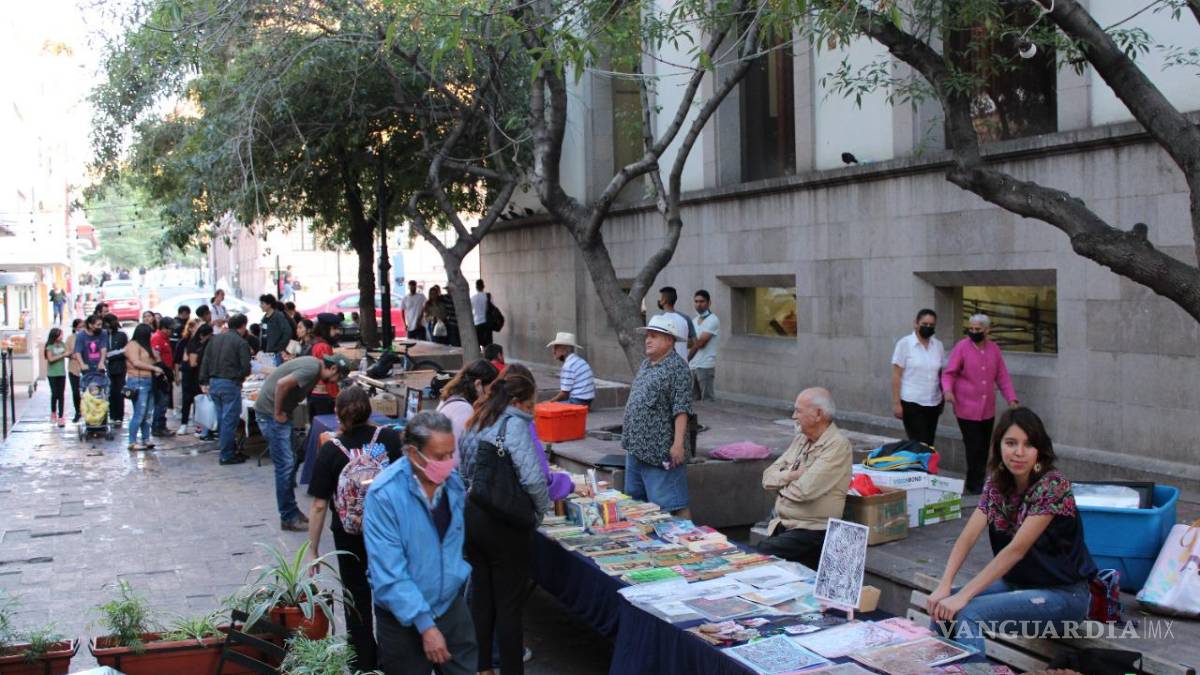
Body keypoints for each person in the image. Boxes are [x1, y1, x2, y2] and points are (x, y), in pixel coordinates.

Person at [927, 407, 1096, 658]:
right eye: (1011, 443)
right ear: (999, 446)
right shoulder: (997, 483)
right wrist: (945, 585)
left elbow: (1016, 550)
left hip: (1064, 595)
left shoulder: (1052, 485)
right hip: (1016, 585)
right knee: (942, 609)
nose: (1019, 452)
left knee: (969, 614)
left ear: (1040, 450)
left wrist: (963, 596)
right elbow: (968, 536)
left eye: (1028, 445)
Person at [364, 411, 478, 675]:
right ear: (414, 454)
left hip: (450, 606)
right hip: (402, 618)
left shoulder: (453, 485)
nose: (449, 463)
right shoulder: (385, 495)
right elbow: (389, 573)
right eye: (440, 457)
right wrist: (425, 625)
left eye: (452, 454)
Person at [458, 365, 552, 675]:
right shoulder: (512, 425)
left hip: (474, 517)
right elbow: (533, 479)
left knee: (482, 600)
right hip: (504, 525)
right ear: (523, 399)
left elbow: (467, 471)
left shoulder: (477, 419)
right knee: (508, 606)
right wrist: (539, 512)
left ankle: (482, 668)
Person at [306, 386, 404, 671]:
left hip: (349, 535)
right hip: (387, 532)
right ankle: (395, 658)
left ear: (338, 414)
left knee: (356, 598)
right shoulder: (388, 439)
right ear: (369, 409)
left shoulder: (331, 450)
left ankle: (362, 663)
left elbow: (319, 505)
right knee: (390, 593)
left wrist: (313, 550)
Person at [758, 388, 853, 570]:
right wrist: (791, 476)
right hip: (784, 524)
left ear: (818, 414)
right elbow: (767, 477)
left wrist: (779, 487)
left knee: (760, 556)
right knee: (751, 557)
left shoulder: (837, 446)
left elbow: (804, 491)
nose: (794, 416)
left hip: (813, 531)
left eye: (798, 411)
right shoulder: (802, 439)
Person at [253, 354, 351, 530]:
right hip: (271, 415)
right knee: (285, 465)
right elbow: (282, 384)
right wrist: (277, 413)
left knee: (289, 462)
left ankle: (291, 511)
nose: (336, 382)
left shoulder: (313, 369)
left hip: (277, 414)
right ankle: (288, 516)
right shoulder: (312, 368)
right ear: (334, 369)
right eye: (339, 377)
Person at [622, 315, 694, 517]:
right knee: (636, 506)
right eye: (647, 336)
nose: (647, 340)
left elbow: (682, 409)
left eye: (653, 336)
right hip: (636, 448)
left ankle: (687, 542)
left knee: (672, 505)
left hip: (660, 452)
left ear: (669, 340)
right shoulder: (647, 364)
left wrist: (678, 444)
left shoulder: (678, 368)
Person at [942, 314, 1020, 494]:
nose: (974, 332)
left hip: (987, 409)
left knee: (985, 447)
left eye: (978, 329)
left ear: (987, 330)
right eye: (971, 329)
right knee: (973, 446)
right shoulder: (962, 347)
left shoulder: (994, 349)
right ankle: (975, 484)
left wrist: (1012, 398)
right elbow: (949, 373)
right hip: (966, 408)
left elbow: (1002, 376)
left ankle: (976, 480)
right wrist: (948, 391)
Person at [199, 313, 253, 464]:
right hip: (229, 383)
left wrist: (204, 381)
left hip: (214, 383)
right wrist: (240, 377)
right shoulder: (240, 342)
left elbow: (205, 360)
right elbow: (245, 367)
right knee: (229, 420)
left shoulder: (214, 340)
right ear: (242, 326)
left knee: (223, 419)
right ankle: (227, 454)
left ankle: (229, 450)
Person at [891, 308, 945, 447]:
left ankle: (926, 468)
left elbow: (940, 373)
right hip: (912, 402)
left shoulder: (938, 345)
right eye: (925, 324)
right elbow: (897, 374)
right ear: (916, 323)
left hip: (933, 402)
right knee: (919, 443)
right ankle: (921, 468)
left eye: (931, 325)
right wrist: (897, 403)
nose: (928, 327)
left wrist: (943, 399)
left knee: (929, 442)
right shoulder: (905, 344)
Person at [436, 359, 500, 447]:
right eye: (490, 391)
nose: (491, 397)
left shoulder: (451, 397)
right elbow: (458, 448)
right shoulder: (463, 409)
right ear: (478, 385)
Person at [124, 324, 165, 451]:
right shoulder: (132, 345)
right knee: (139, 413)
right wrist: (153, 368)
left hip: (148, 381)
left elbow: (154, 358)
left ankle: (146, 439)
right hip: (137, 381)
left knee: (147, 413)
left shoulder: (146, 346)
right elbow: (136, 362)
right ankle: (132, 441)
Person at [306, 314, 343, 419]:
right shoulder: (323, 346)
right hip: (323, 396)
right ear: (326, 328)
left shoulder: (315, 343)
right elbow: (329, 374)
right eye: (335, 328)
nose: (338, 332)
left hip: (314, 394)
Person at [545, 332, 594, 407]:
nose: (553, 351)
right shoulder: (578, 360)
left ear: (565, 350)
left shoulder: (568, 366)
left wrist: (550, 402)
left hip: (578, 402)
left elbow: (565, 394)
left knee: (549, 407)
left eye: (556, 348)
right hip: (587, 401)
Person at [688, 289, 721, 401]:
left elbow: (700, 344)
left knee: (708, 401)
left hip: (705, 365)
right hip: (692, 366)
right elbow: (689, 342)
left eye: (702, 301)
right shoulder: (694, 320)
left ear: (709, 303)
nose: (698, 304)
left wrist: (686, 358)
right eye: (696, 301)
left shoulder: (713, 320)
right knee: (694, 401)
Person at [181, 324, 213, 436]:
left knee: (199, 404)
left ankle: (199, 428)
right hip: (191, 377)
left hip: (199, 376)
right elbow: (192, 363)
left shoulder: (205, 344)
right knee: (188, 400)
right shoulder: (194, 344)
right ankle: (184, 425)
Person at [150, 318, 176, 437]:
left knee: (164, 401)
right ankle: (157, 427)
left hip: (166, 372)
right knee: (161, 401)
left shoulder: (165, 338)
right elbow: (156, 356)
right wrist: (164, 371)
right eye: (170, 329)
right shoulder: (157, 338)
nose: (172, 331)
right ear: (164, 328)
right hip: (161, 374)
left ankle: (161, 425)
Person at [656, 286, 695, 361]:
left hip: (663, 366)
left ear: (664, 300)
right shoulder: (686, 318)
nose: (659, 300)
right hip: (683, 364)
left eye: (660, 298)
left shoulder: (656, 319)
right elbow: (694, 343)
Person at [104, 314, 128, 428]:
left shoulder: (121, 335)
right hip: (107, 369)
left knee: (119, 392)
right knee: (110, 393)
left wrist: (110, 355)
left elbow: (125, 351)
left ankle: (119, 416)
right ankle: (112, 415)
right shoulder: (104, 335)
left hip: (119, 368)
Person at [73, 315, 108, 387]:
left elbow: (103, 348)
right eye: (98, 325)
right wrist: (82, 364)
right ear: (90, 325)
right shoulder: (81, 335)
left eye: (101, 324)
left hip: (99, 367)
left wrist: (101, 362)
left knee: (102, 388)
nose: (100, 327)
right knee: (87, 389)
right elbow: (78, 352)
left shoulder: (103, 333)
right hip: (87, 367)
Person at [43, 328, 68, 427]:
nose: (62, 336)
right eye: (60, 335)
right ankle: (53, 412)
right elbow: (50, 359)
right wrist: (63, 355)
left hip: (62, 373)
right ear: (55, 335)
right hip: (52, 374)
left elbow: (68, 353)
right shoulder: (49, 346)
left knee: (61, 394)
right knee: (55, 393)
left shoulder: (62, 344)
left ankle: (61, 416)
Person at [259, 294, 292, 363]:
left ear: (269, 304)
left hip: (275, 352)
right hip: (266, 351)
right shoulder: (264, 318)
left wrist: (279, 347)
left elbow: (288, 332)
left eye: (262, 303)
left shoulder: (278, 316)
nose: (260, 306)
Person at [66, 319, 84, 423]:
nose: (81, 329)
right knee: (75, 391)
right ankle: (78, 411)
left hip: (85, 368)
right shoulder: (70, 338)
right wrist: (72, 354)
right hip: (74, 368)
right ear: (75, 328)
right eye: (79, 327)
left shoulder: (88, 337)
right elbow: (66, 352)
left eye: (83, 326)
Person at [471, 279, 493, 349]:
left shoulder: (473, 298)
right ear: (483, 286)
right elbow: (492, 308)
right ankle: (487, 357)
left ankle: (479, 357)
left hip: (477, 322)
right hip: (487, 322)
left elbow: (471, 310)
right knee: (488, 344)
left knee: (477, 343)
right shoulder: (488, 296)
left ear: (476, 287)